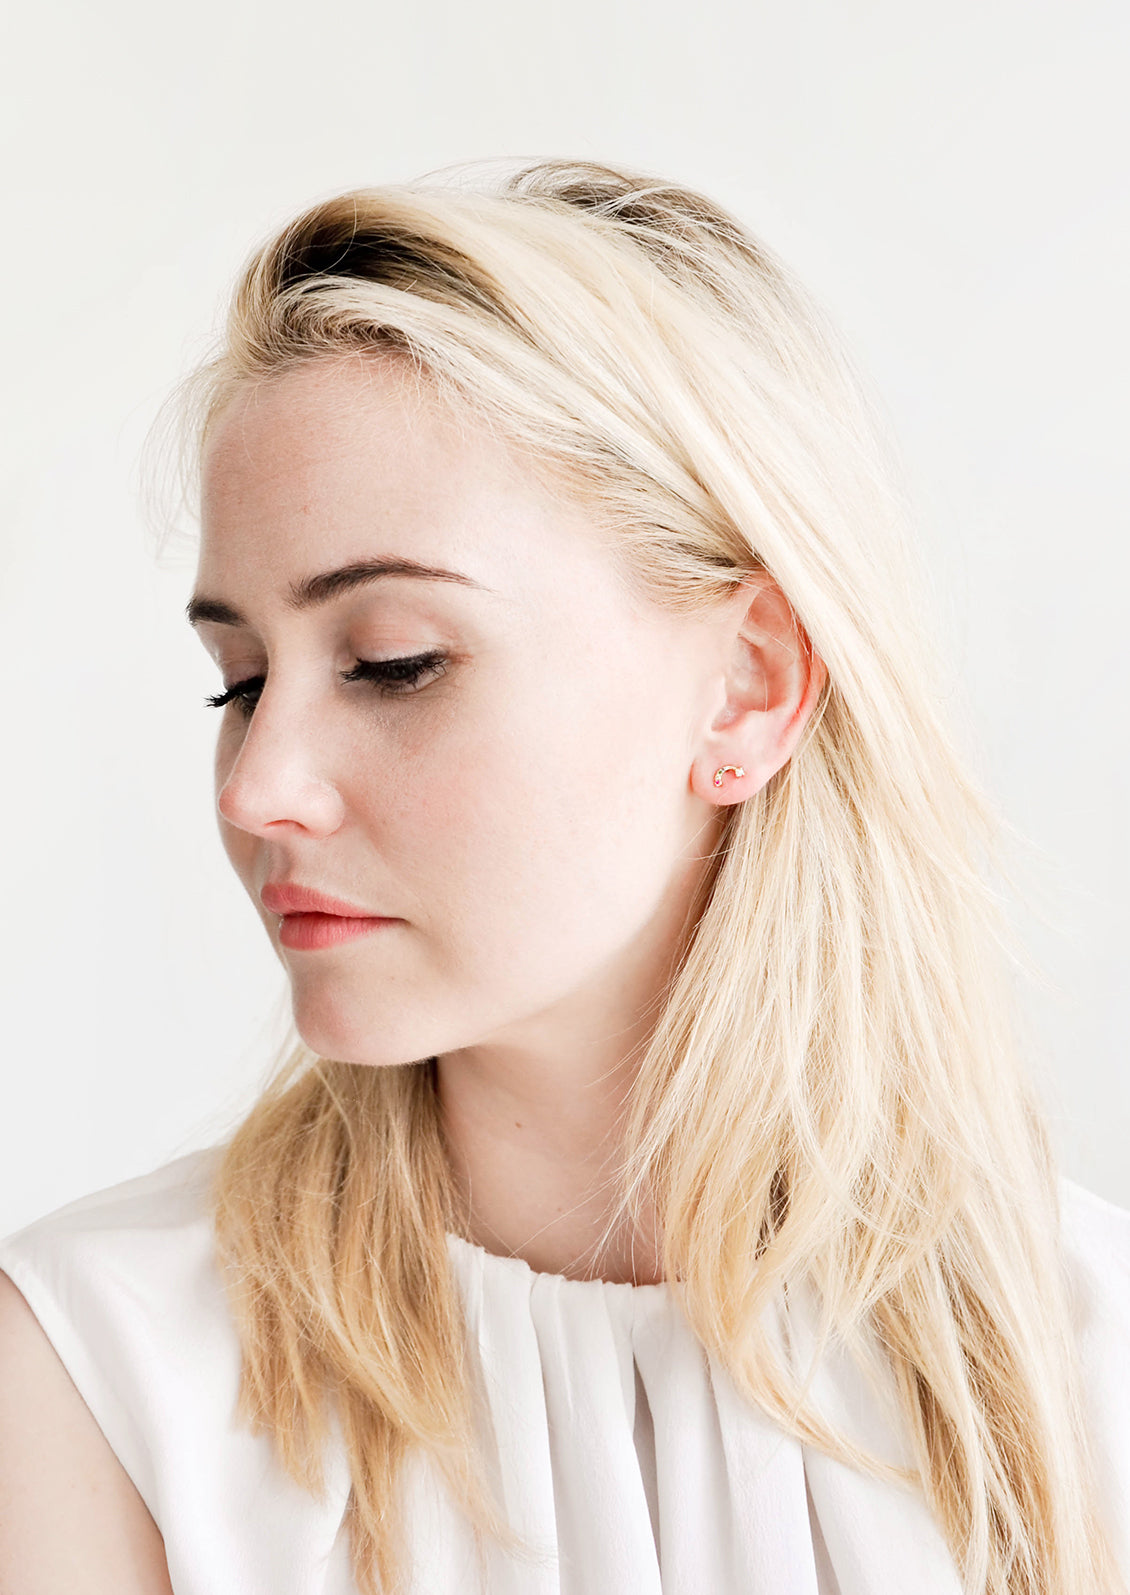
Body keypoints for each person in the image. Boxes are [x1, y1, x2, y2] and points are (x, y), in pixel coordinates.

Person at [0, 157, 1127, 1595]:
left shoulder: (1087, 1371)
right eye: (236, 681)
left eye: (394, 664)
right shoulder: (102, 1368)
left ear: (744, 687)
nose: (257, 786)